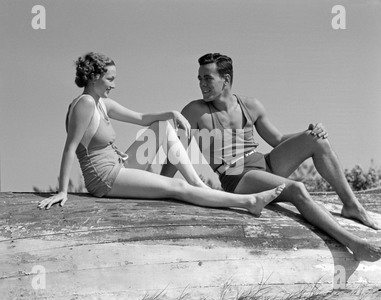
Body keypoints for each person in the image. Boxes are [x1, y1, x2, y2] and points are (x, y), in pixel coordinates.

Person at [161, 52, 381, 262]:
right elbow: (176, 151)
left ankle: (352, 206)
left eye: (208, 78)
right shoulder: (195, 111)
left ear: (225, 79)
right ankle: (353, 242)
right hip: (237, 176)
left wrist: (311, 132)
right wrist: (162, 186)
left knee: (318, 140)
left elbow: (277, 139)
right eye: (199, 79)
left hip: (263, 163)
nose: (202, 84)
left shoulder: (250, 105)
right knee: (297, 189)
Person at [38, 52, 285, 216]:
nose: (114, 84)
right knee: (175, 186)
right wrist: (62, 191)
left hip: (118, 166)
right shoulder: (85, 104)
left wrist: (172, 113)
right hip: (104, 178)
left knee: (162, 127)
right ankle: (249, 202)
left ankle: (198, 184)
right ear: (94, 77)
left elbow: (142, 119)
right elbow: (70, 147)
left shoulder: (102, 103)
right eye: (110, 79)